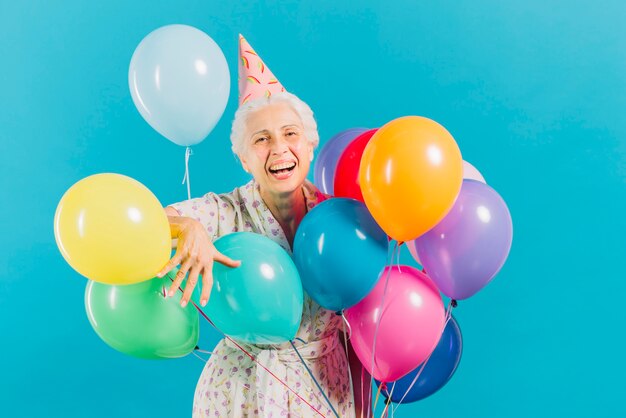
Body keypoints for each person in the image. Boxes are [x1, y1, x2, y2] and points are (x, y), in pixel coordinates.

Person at [157, 35, 369, 417]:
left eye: (290, 134)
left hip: (326, 385)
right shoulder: (226, 211)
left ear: (310, 144)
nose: (279, 149)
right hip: (241, 392)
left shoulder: (339, 216)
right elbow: (155, 219)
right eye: (261, 139)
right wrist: (187, 227)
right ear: (243, 159)